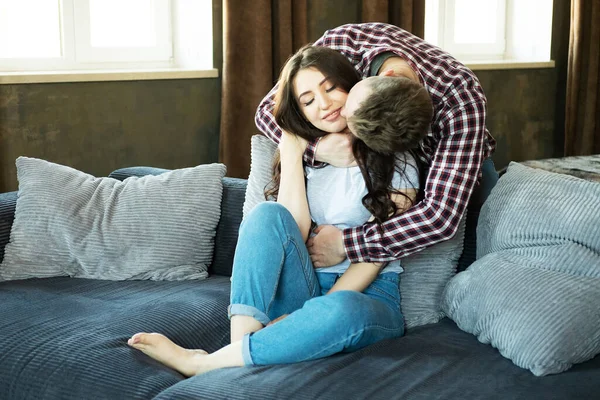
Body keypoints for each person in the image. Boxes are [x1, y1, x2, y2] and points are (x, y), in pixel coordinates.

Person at [127, 45, 431, 376]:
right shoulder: (306, 155)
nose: (325, 104)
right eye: (308, 99)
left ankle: (206, 363)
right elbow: (294, 230)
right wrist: (291, 146)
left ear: (352, 87)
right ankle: (239, 346)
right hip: (306, 283)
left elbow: (378, 253)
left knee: (342, 311)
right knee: (266, 214)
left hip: (369, 297)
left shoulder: (396, 157)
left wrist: (311, 313)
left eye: (331, 89)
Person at [256, 22, 498, 269]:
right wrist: (316, 150)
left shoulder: (460, 98)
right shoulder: (347, 44)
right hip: (383, 175)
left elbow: (440, 218)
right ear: (382, 76)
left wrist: (345, 244)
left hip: (456, 169)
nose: (331, 107)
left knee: (478, 248)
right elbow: (267, 111)